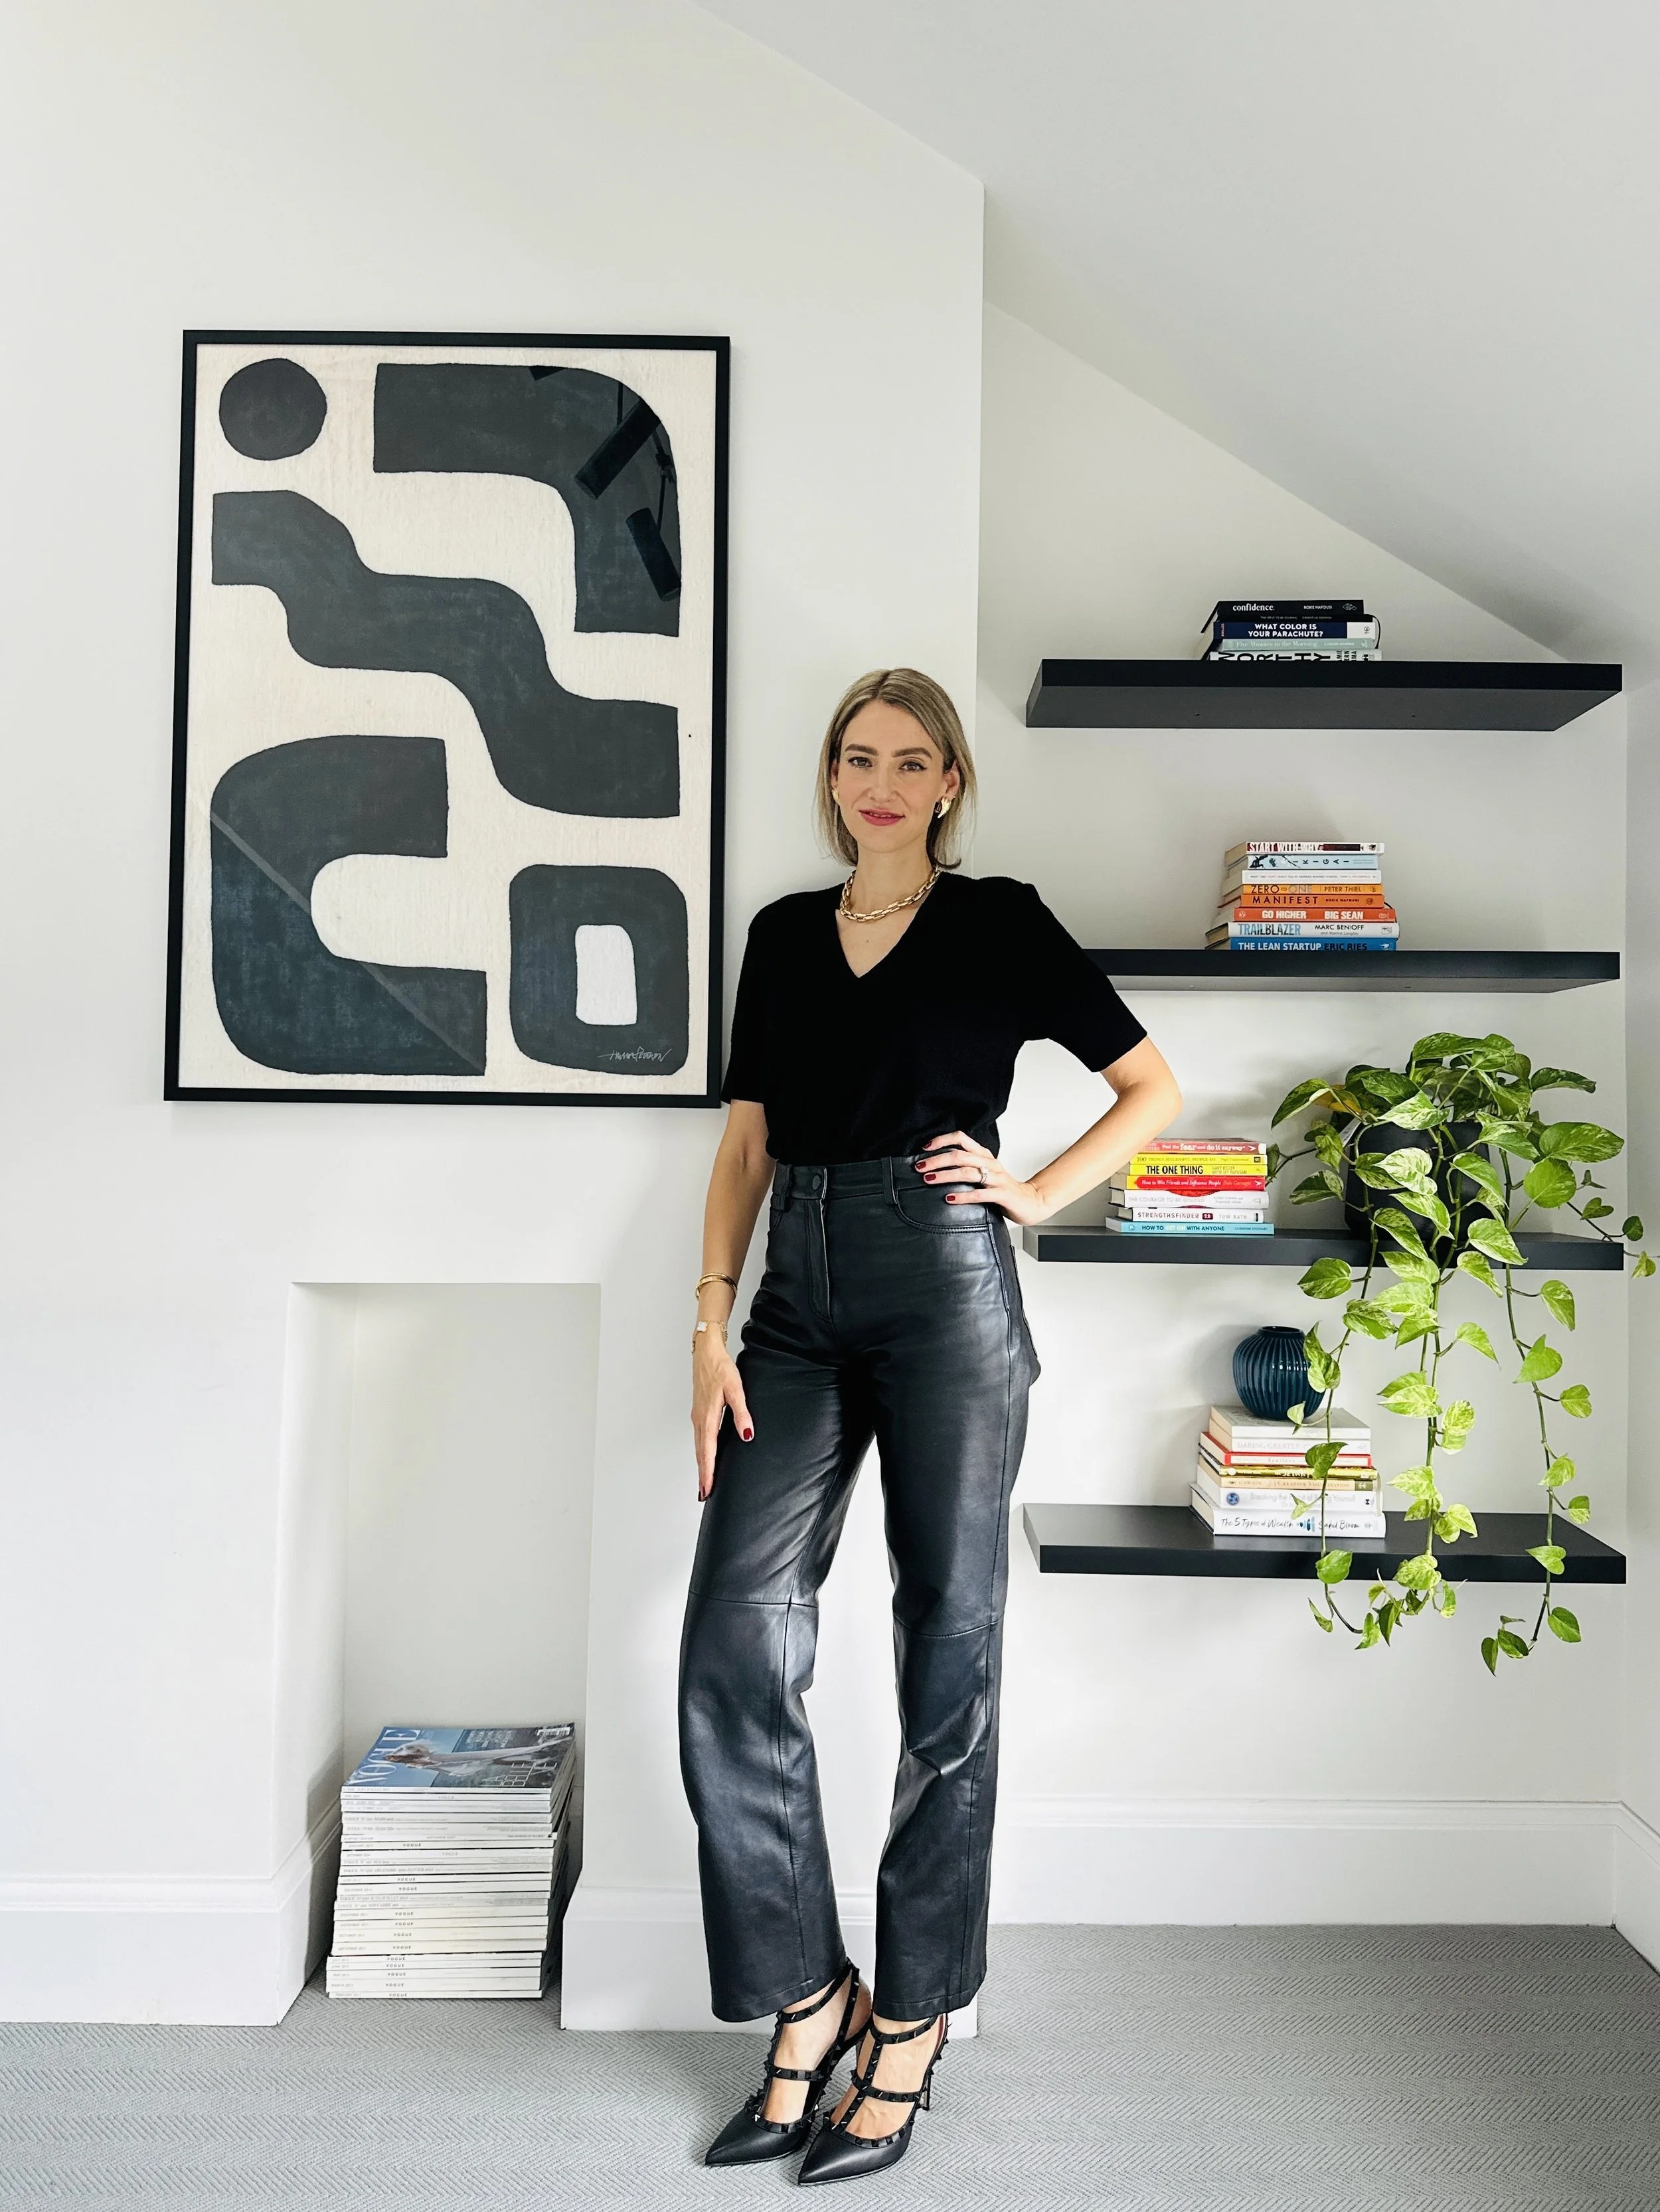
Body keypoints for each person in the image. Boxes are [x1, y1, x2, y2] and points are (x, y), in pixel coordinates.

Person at [678, 669, 1181, 2183]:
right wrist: (707, 1319)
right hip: (791, 1299)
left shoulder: (998, 920)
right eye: (855, 757)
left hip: (946, 1283)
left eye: (910, 760)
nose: (879, 782)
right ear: (828, 777)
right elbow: (748, 1143)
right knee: (727, 1644)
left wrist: (1032, 1190)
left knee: (945, 1651)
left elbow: (1149, 1085)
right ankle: (806, 1993)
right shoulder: (778, 932)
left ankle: (907, 2020)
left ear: (950, 782)